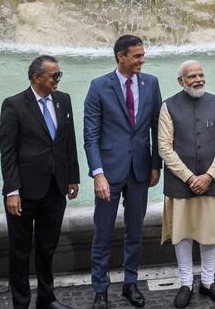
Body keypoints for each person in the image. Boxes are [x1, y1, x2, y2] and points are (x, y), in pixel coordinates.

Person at [84, 35, 162, 309]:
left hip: (140, 170)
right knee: (102, 232)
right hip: (109, 171)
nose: (142, 60)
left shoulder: (151, 83)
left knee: (135, 232)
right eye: (137, 56)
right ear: (121, 56)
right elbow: (90, 135)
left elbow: (156, 127)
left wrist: (156, 164)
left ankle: (131, 283)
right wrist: (98, 174)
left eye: (143, 55)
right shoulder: (98, 86)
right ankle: (100, 289)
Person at [0, 55, 80, 309]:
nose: (58, 79)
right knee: (20, 251)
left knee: (47, 247)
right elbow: (8, 151)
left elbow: (68, 141)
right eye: (54, 76)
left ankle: (46, 298)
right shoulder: (13, 105)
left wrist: (73, 178)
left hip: (55, 188)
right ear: (37, 77)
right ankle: (21, 303)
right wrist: (12, 190)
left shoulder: (63, 100)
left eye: (59, 75)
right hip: (24, 191)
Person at [158, 61, 215, 308]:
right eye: (192, 76)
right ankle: (186, 283)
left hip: (212, 181)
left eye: (201, 74)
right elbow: (164, 147)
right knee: (183, 234)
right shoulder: (168, 106)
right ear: (181, 81)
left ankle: (209, 281)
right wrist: (190, 177)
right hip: (181, 184)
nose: (198, 79)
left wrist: (210, 175)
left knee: (210, 233)